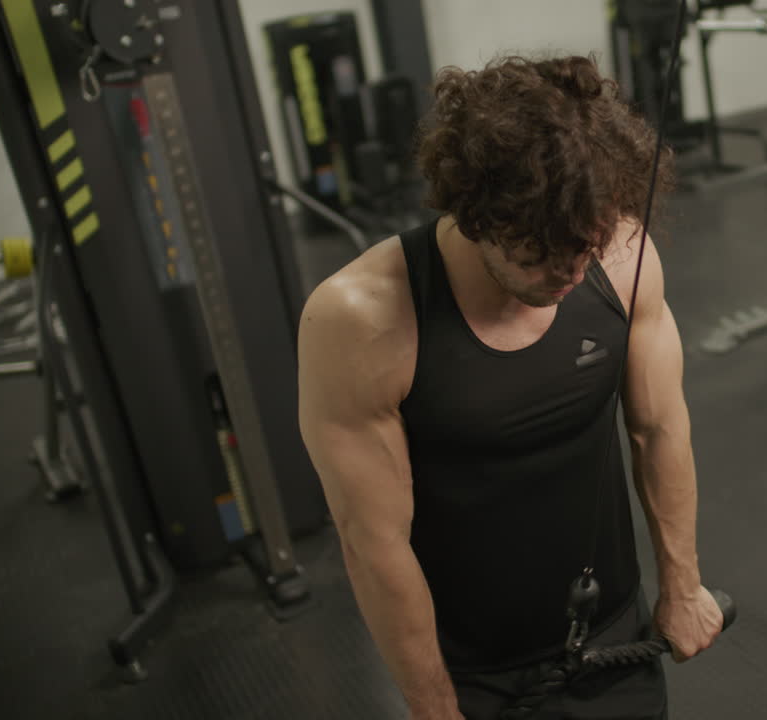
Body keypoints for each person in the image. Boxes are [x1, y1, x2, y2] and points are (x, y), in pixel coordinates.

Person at [296, 54, 723, 720]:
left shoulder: (622, 256)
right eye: (536, 257)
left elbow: (659, 427)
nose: (571, 276)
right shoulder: (361, 317)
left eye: (585, 247)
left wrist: (683, 584)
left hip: (613, 630)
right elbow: (372, 539)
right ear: (474, 214)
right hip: (471, 673)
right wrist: (433, 703)